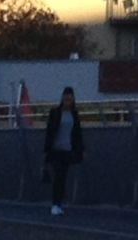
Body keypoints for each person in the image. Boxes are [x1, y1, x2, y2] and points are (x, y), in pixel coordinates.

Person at [42, 87, 84, 216]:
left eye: (69, 98)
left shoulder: (74, 114)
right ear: (62, 98)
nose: (67, 100)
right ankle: (55, 204)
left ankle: (58, 204)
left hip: (67, 150)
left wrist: (81, 149)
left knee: (63, 178)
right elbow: (49, 132)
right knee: (58, 176)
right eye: (66, 98)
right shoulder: (55, 112)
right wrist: (46, 150)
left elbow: (77, 133)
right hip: (56, 150)